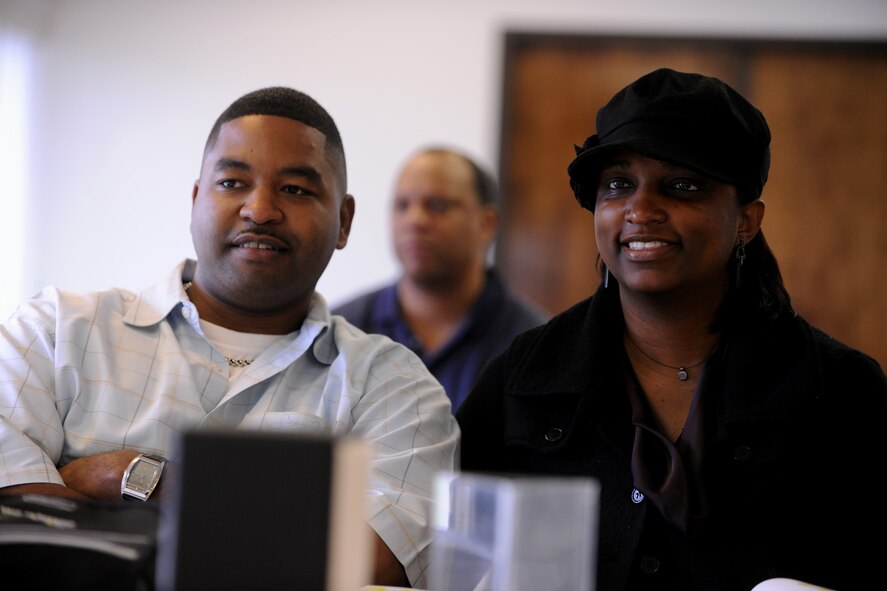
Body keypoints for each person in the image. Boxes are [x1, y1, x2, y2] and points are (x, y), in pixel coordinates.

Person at [0, 86, 459, 588]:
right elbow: (18, 522)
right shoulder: (54, 330)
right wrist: (294, 524)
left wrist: (134, 477)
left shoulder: (395, 387)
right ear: (196, 200)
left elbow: (375, 560)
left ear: (343, 221)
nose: (260, 210)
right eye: (233, 182)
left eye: (296, 190)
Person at [456, 68, 887, 591]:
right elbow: (456, 555)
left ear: (747, 220)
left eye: (682, 186)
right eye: (618, 184)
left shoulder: (842, 390)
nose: (640, 209)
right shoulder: (523, 377)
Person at [333, 146, 548, 411]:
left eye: (437, 206)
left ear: (486, 224)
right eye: (402, 206)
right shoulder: (342, 331)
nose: (415, 220)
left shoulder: (536, 345)